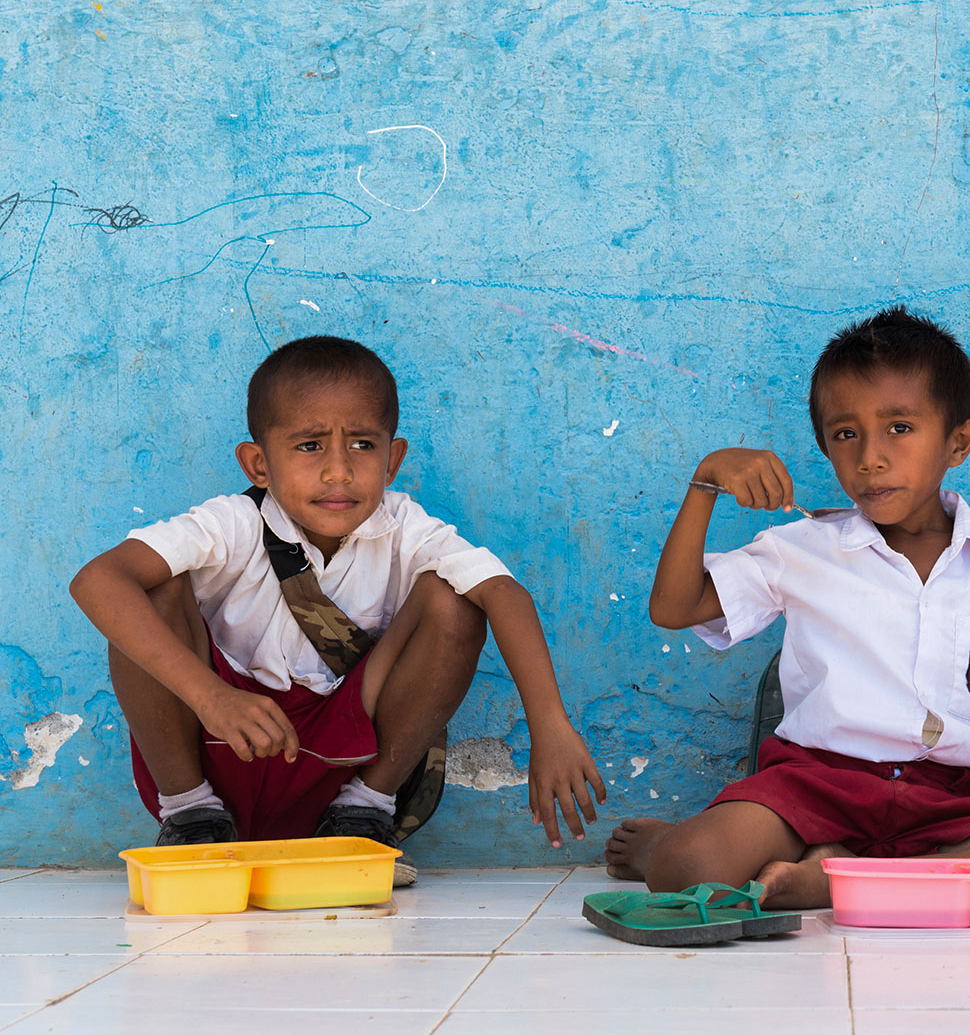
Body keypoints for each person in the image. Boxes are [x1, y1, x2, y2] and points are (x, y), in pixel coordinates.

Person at [604, 306, 970, 909]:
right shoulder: (804, 550)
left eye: (899, 428)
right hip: (812, 787)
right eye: (846, 435)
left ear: (958, 441)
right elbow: (672, 608)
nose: (870, 457)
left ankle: (837, 876)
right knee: (687, 866)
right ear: (827, 447)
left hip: (941, 804)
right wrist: (705, 482)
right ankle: (693, 850)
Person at [70, 336, 605, 880]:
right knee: (149, 589)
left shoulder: (406, 529)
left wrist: (550, 726)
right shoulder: (229, 524)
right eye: (309, 446)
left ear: (392, 459)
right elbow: (97, 580)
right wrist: (212, 698)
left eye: (362, 446)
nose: (338, 472)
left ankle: (363, 813)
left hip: (337, 764)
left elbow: (503, 593)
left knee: (454, 597)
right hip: (220, 748)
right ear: (258, 463)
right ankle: (189, 817)